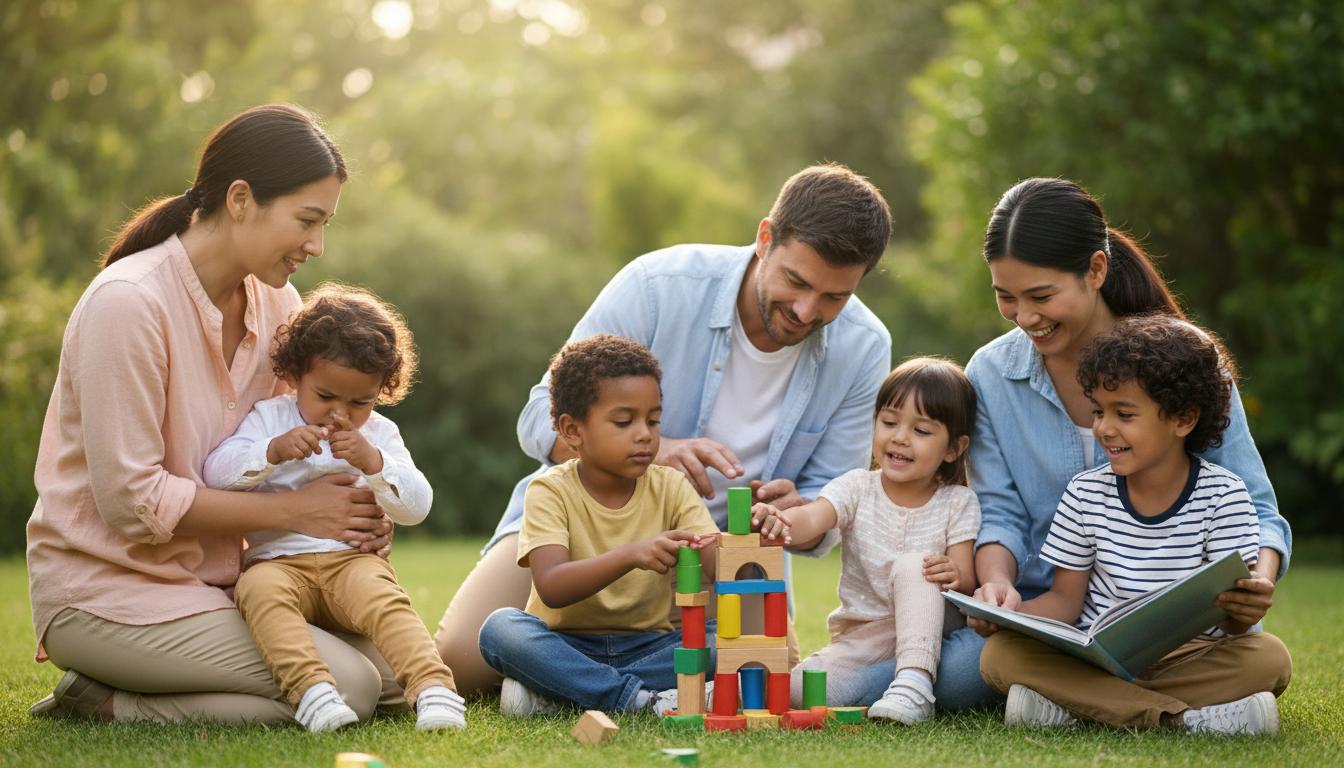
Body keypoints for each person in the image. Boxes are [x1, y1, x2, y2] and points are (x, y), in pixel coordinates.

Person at [437, 163, 894, 694]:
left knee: (760, 676)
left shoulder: (864, 347)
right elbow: (540, 416)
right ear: (765, 237)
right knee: (462, 664)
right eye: (796, 281)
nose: (805, 309)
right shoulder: (659, 285)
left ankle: (560, 682)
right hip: (582, 523)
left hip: (723, 554)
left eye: (834, 298)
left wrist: (802, 515)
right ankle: (602, 679)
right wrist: (658, 451)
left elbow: (834, 499)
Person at [26, 104, 398, 724]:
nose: (318, 245)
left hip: (230, 584)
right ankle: (107, 699)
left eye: (325, 223)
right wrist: (296, 510)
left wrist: (356, 513)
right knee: (349, 689)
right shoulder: (130, 303)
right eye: (308, 220)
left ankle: (143, 685)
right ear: (241, 198)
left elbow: (294, 440)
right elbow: (132, 500)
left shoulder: (278, 302)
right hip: (113, 590)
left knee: (395, 679)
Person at [934, 177, 1293, 710]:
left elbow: (1258, 509)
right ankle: (1173, 715)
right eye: (1005, 297)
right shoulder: (990, 373)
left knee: (1269, 659)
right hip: (1048, 613)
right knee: (962, 678)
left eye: (1041, 296)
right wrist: (997, 588)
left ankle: (1080, 704)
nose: (1025, 316)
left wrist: (1255, 583)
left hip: (1179, 631)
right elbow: (1001, 514)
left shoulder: (1187, 361)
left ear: (1096, 270)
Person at [977, 315, 1292, 733]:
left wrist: (1246, 604)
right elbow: (1065, 603)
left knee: (1270, 658)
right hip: (1097, 656)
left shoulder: (1224, 495)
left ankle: (1082, 710)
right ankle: (1184, 720)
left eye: (1124, 414)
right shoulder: (1085, 494)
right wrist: (1008, 615)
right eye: (1098, 412)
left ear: (1182, 420)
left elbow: (1233, 620)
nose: (1104, 428)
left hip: (1191, 656)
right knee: (999, 655)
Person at [201, 283, 465, 732]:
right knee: (258, 593)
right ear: (295, 376)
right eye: (325, 397)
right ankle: (314, 693)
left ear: (381, 391)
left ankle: (435, 690)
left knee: (386, 601)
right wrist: (272, 452)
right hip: (278, 562)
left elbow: (417, 507)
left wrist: (374, 464)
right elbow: (215, 473)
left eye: (359, 402)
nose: (339, 413)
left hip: (351, 562)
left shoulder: (379, 435)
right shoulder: (271, 418)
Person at [476, 335, 720, 715]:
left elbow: (717, 564)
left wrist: (751, 532)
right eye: (624, 421)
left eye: (653, 420)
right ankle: (637, 699)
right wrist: (630, 555)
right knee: (501, 628)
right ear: (572, 430)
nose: (645, 433)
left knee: (721, 640)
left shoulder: (671, 486)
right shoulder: (549, 490)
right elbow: (553, 586)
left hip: (648, 645)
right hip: (567, 645)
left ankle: (563, 691)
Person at [753, 357, 980, 724]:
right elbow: (813, 517)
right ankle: (900, 683)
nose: (900, 437)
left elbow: (966, 577)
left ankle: (915, 682)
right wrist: (781, 521)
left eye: (921, 431)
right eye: (889, 422)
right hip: (864, 640)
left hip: (935, 623)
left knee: (914, 565)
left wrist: (954, 573)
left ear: (953, 448)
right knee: (799, 690)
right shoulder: (857, 487)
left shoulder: (957, 501)